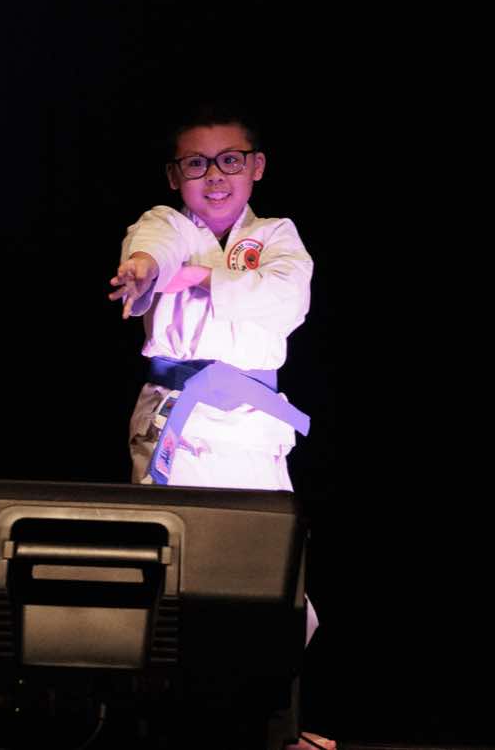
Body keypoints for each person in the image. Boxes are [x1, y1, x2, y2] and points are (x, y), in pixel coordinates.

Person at [107, 104, 335, 749]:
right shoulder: (166, 224)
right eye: (196, 164)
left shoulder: (279, 235)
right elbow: (153, 251)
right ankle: (167, 730)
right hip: (177, 424)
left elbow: (286, 299)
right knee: (174, 578)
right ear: (174, 175)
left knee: (275, 582)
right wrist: (146, 269)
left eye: (229, 160)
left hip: (253, 427)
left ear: (256, 167)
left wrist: (203, 278)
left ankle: (273, 727)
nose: (214, 176)